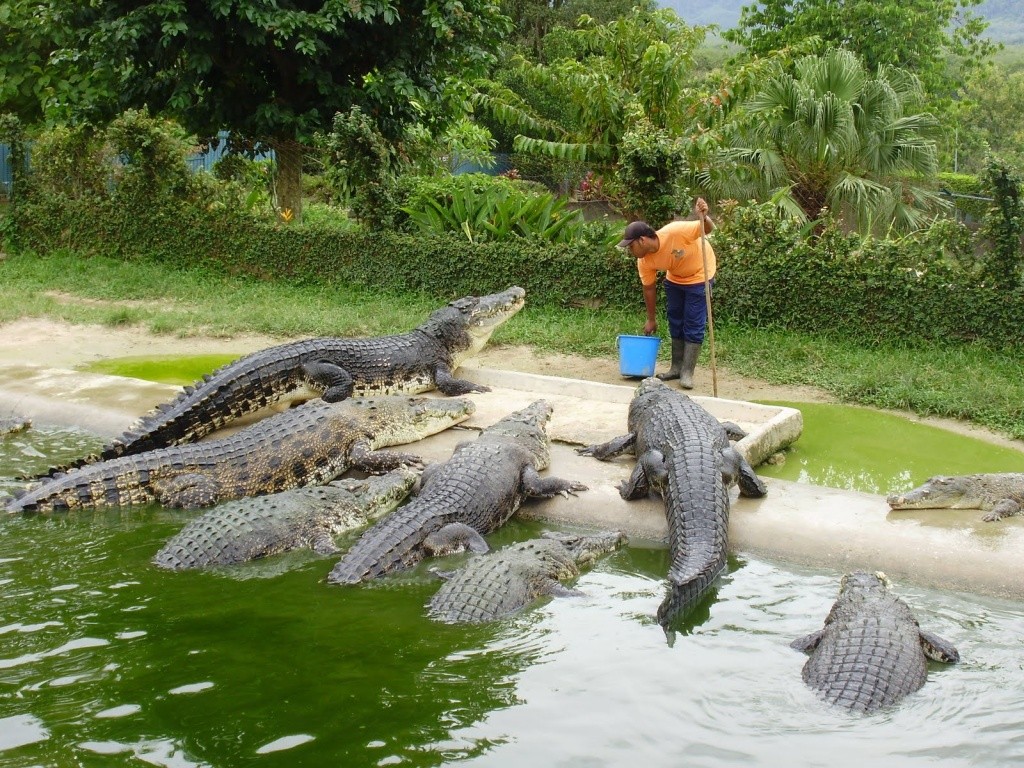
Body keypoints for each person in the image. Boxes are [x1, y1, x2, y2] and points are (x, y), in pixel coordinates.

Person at [617, 198, 715, 389]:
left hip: (700, 273)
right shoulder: (644, 261)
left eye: (631, 246)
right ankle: (676, 368)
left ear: (642, 240)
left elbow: (707, 229)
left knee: (693, 322)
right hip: (676, 277)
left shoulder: (675, 231)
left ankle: (687, 372)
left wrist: (704, 216)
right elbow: (649, 288)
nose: (630, 250)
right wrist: (651, 319)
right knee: (675, 320)